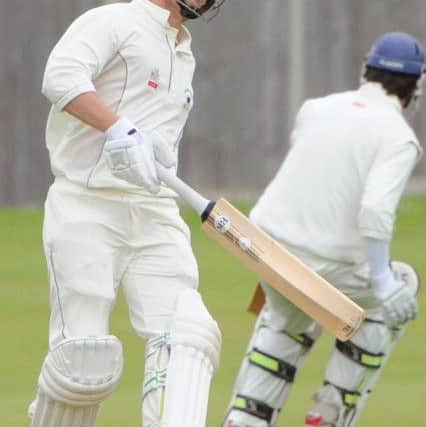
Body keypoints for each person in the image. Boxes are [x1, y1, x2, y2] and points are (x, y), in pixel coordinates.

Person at [28, 1, 225, 426]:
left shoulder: (182, 49)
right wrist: (119, 127)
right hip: (87, 203)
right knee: (83, 361)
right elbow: (60, 77)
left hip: (154, 209)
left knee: (185, 337)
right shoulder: (114, 21)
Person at [222, 32, 425, 427]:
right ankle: (328, 413)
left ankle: (246, 417)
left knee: (288, 318)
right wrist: (382, 282)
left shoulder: (316, 108)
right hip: (324, 264)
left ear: (366, 70)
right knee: (399, 285)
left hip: (265, 250)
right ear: (414, 87)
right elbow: (375, 211)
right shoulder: (398, 136)